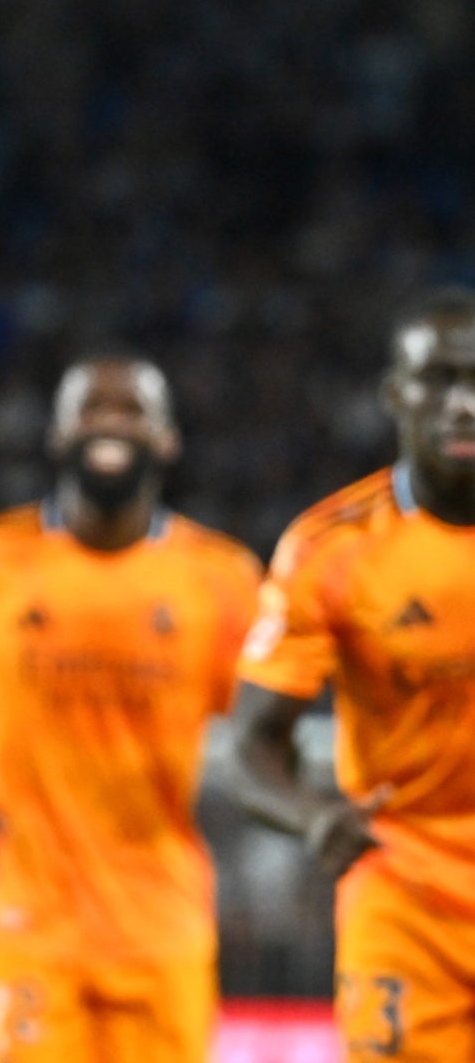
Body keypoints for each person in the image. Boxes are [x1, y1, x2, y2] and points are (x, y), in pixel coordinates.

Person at [0, 357, 261, 1063]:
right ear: (57, 432)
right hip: (22, 920)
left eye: (131, 411)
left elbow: (255, 735)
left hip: (163, 925)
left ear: (167, 439)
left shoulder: (223, 582)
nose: (110, 424)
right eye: (91, 408)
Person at [229, 288, 475, 1062]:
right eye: (438, 380)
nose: (464, 405)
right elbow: (252, 747)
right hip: (407, 896)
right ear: (395, 395)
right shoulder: (331, 549)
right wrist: (312, 818)